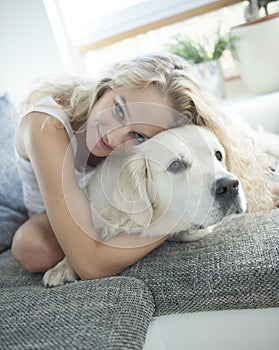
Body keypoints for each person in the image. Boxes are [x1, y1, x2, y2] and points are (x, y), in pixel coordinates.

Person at [11, 52, 277, 280]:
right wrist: (177, 219)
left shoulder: (142, 150)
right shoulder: (45, 127)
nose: (114, 137)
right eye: (118, 110)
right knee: (33, 248)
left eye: (138, 136)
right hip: (54, 210)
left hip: (114, 198)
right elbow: (90, 266)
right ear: (107, 86)